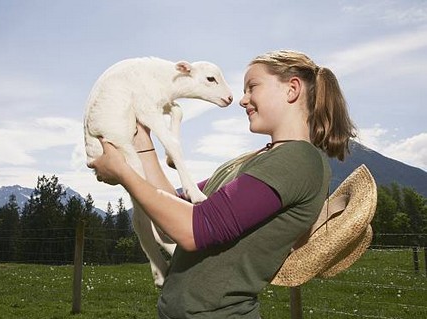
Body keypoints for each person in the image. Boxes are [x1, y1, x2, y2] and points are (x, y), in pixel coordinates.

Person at [88, 50, 356, 318]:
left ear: (292, 89)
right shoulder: (252, 161)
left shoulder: (298, 160)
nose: (242, 100)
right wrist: (143, 145)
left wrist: (123, 172)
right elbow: (174, 211)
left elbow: (193, 230)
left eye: (252, 87)